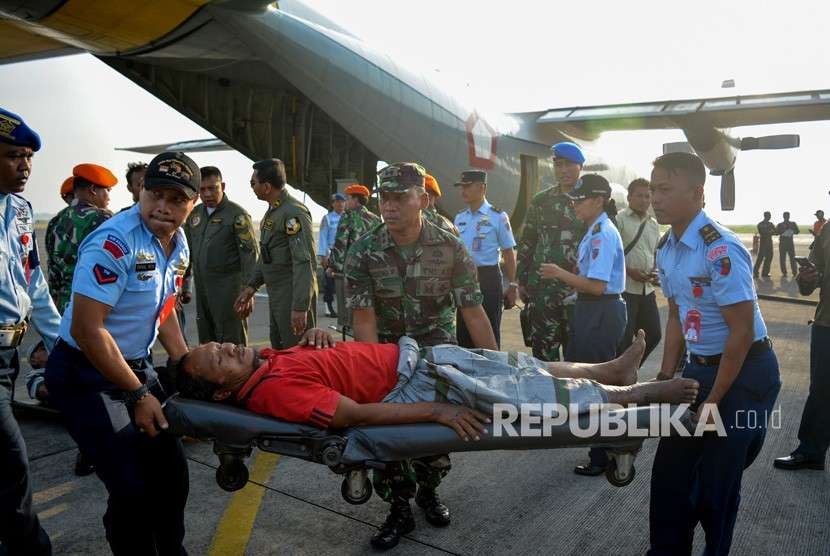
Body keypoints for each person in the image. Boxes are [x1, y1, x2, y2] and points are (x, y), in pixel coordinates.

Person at [44, 151, 198, 555]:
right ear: (141, 191)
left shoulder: (178, 242)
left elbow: (163, 309)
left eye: (177, 199)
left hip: (132, 366)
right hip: (86, 373)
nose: (164, 207)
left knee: (171, 471)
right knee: (130, 486)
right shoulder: (114, 241)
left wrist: (184, 363)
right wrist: (137, 393)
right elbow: (87, 329)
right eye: (156, 194)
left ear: (192, 204)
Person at [345, 162, 497, 549]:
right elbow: (363, 319)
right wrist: (371, 373)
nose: (389, 207)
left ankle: (429, 490)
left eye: (400, 198)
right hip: (386, 355)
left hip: (437, 354)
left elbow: (473, 312)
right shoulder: (364, 251)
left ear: (423, 199)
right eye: (385, 199)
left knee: (438, 439)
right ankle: (398, 508)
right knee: (390, 437)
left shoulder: (450, 248)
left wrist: (495, 369)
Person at [175, 329, 699, 435]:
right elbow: (352, 415)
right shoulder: (270, 392)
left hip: (418, 357)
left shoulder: (263, 360)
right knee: (526, 394)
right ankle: (634, 393)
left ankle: (607, 370)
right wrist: (438, 411)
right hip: (416, 387)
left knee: (515, 365)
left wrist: (322, 331)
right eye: (216, 359)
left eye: (217, 344)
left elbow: (325, 355)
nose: (225, 347)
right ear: (223, 392)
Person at [647, 152, 781, 556]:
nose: (655, 198)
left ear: (697, 193)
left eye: (665, 189)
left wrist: (714, 402)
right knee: (670, 475)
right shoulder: (666, 248)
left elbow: (739, 333)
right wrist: (665, 376)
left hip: (744, 373)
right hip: (698, 367)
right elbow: (675, 315)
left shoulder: (719, 248)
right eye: (653, 189)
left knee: (716, 484)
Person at [0, 106, 60, 556]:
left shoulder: (21, 211)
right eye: (13, 156)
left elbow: (34, 283)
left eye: (28, 157)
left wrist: (61, 343)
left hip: (10, 356)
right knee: (11, 460)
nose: (24, 166)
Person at [539, 174, 627, 477]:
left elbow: (598, 286)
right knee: (590, 379)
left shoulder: (602, 233)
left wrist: (559, 274)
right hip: (593, 310)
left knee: (598, 383)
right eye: (573, 199)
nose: (574, 204)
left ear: (598, 201)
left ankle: (604, 454)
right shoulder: (594, 230)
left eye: (580, 199)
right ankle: (604, 447)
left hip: (600, 310)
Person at [234, 158, 317, 349]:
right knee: (280, 348)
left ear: (266, 187)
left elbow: (304, 261)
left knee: (296, 353)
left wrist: (300, 306)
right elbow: (267, 254)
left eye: (253, 183)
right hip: (278, 294)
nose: (251, 187)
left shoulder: (293, 213)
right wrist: (251, 286)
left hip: (292, 295)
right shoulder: (274, 212)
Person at [516, 141, 587, 361]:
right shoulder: (541, 201)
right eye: (559, 165)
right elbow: (527, 240)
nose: (563, 170)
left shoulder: (590, 200)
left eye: (569, 165)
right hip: (542, 291)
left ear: (580, 167)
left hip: (577, 291)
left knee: (579, 359)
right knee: (544, 357)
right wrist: (522, 279)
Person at [774, 206, 830, 471]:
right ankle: (811, 451)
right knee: (821, 391)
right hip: (826, 323)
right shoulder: (827, 230)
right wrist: (807, 277)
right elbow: (809, 284)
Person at [182, 165, 258, 345]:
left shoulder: (236, 215)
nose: (207, 194)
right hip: (203, 290)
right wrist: (184, 285)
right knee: (207, 343)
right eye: (202, 189)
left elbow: (250, 255)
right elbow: (187, 253)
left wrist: (249, 290)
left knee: (232, 343)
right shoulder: (194, 214)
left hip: (229, 291)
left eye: (212, 188)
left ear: (222, 186)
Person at [453, 170, 518, 348]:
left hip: (488, 278)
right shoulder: (459, 218)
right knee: (464, 331)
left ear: (482, 188)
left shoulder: (498, 217)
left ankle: (492, 372)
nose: (463, 191)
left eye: (467, 186)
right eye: (462, 187)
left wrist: (512, 285)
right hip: (464, 279)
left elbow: (508, 252)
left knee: (489, 330)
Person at [46, 163, 117, 312]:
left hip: (63, 305)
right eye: (107, 190)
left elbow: (53, 272)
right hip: (92, 303)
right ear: (92, 190)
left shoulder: (55, 221)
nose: (108, 197)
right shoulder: (103, 218)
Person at [616, 178, 661, 362]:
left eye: (647, 196)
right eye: (639, 196)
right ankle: (618, 383)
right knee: (623, 340)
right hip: (626, 289)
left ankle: (630, 369)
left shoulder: (653, 224)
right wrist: (629, 270)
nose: (644, 200)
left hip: (647, 290)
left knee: (654, 334)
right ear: (629, 197)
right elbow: (611, 255)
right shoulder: (619, 220)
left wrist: (656, 271)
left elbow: (655, 253)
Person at [327, 183, 381, 275]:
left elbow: (341, 243)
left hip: (353, 268)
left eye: (348, 199)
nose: (346, 202)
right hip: (372, 267)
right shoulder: (376, 219)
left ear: (356, 199)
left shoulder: (348, 216)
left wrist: (333, 266)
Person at [318, 192, 346, 317]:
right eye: (337, 202)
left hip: (346, 254)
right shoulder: (327, 218)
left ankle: (344, 308)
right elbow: (323, 237)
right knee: (329, 282)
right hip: (331, 254)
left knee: (346, 283)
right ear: (333, 204)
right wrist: (323, 255)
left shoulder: (348, 217)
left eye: (341, 202)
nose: (339, 204)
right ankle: (328, 306)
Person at [753, 211, 776, 278]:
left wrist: (770, 232)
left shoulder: (770, 224)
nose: (769, 217)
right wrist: (770, 232)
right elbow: (762, 232)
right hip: (763, 243)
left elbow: (775, 231)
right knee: (760, 258)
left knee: (769, 258)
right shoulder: (760, 224)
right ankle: (755, 272)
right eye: (768, 216)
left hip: (769, 243)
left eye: (770, 216)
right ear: (765, 216)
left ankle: (765, 273)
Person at [777, 211, 799, 276]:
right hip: (782, 243)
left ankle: (794, 272)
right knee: (782, 258)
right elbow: (776, 232)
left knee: (792, 258)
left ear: (789, 216)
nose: (786, 217)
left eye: (787, 216)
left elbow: (797, 231)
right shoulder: (780, 224)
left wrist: (792, 231)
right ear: (783, 216)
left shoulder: (793, 223)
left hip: (790, 243)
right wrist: (783, 231)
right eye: (785, 216)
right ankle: (784, 272)